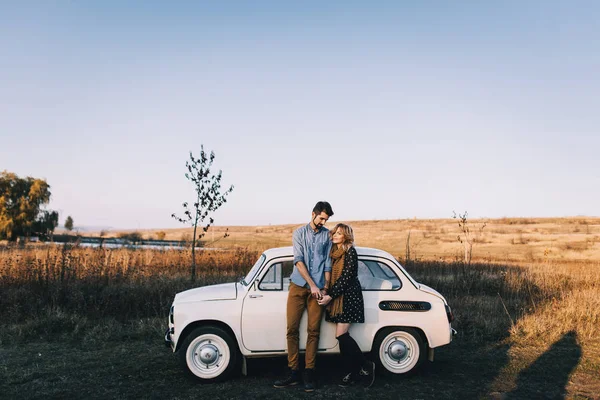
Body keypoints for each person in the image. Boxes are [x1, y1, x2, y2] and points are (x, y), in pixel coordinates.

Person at [273, 201, 334, 392]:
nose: (323, 222)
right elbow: (298, 261)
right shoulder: (299, 233)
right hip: (298, 286)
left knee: (313, 331)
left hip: (318, 291)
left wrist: (325, 287)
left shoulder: (327, 236)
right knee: (292, 328)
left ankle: (309, 372)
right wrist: (313, 284)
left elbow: (327, 264)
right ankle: (293, 371)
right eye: (321, 218)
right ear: (313, 214)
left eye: (326, 219)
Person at [318, 223, 375, 388]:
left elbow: (347, 277)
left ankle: (365, 365)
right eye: (335, 232)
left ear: (346, 236)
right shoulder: (334, 253)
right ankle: (352, 372)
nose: (335, 235)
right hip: (339, 298)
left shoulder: (350, 251)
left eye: (340, 233)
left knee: (341, 336)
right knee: (342, 337)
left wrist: (330, 296)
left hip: (349, 297)